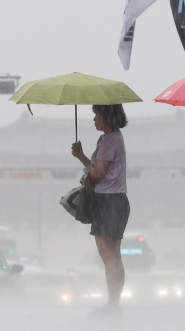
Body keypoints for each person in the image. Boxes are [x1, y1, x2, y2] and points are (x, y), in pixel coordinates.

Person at [71, 104, 130, 317]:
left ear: (106, 116)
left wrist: (86, 178)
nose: (94, 119)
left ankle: (113, 304)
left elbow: (98, 174)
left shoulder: (108, 140)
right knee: (114, 254)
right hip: (118, 200)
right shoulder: (113, 139)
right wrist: (82, 157)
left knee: (108, 256)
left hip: (107, 202)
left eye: (96, 115)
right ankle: (114, 302)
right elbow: (97, 168)